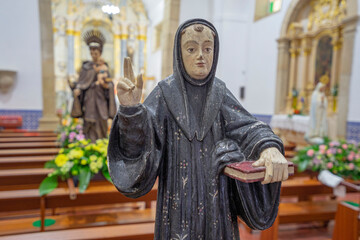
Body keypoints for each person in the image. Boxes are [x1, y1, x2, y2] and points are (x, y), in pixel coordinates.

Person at [108, 19, 288, 239]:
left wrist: (268, 147)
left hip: (218, 205)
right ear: (179, 53)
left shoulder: (220, 92)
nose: (201, 55)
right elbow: (141, 143)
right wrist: (131, 111)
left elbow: (248, 128)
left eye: (208, 48)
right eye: (191, 48)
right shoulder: (165, 93)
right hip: (176, 204)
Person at [70, 30, 116, 142]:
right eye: (92, 53)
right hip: (89, 100)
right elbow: (81, 83)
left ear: (100, 53)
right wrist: (76, 89)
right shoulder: (86, 67)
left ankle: (101, 147)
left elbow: (110, 83)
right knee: (89, 123)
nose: (93, 55)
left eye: (96, 53)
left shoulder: (104, 67)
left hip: (101, 100)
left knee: (102, 122)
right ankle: (89, 147)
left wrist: (107, 86)